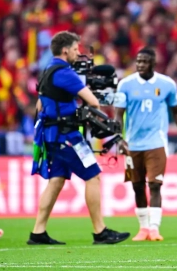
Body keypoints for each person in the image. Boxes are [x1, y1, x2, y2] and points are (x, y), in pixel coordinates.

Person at [28, 31, 130, 245]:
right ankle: (100, 231)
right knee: (93, 176)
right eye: (75, 49)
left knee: (55, 181)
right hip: (68, 136)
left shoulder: (46, 71)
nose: (78, 53)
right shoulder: (66, 73)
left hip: (51, 135)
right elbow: (93, 102)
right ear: (65, 50)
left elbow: (39, 106)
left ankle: (38, 232)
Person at [115, 47, 177, 241]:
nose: (140, 65)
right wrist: (118, 138)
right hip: (132, 144)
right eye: (138, 61)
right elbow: (118, 114)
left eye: (144, 62)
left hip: (157, 143)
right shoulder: (125, 84)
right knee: (137, 186)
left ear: (153, 63)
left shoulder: (167, 84)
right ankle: (143, 229)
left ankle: (154, 228)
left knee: (155, 185)